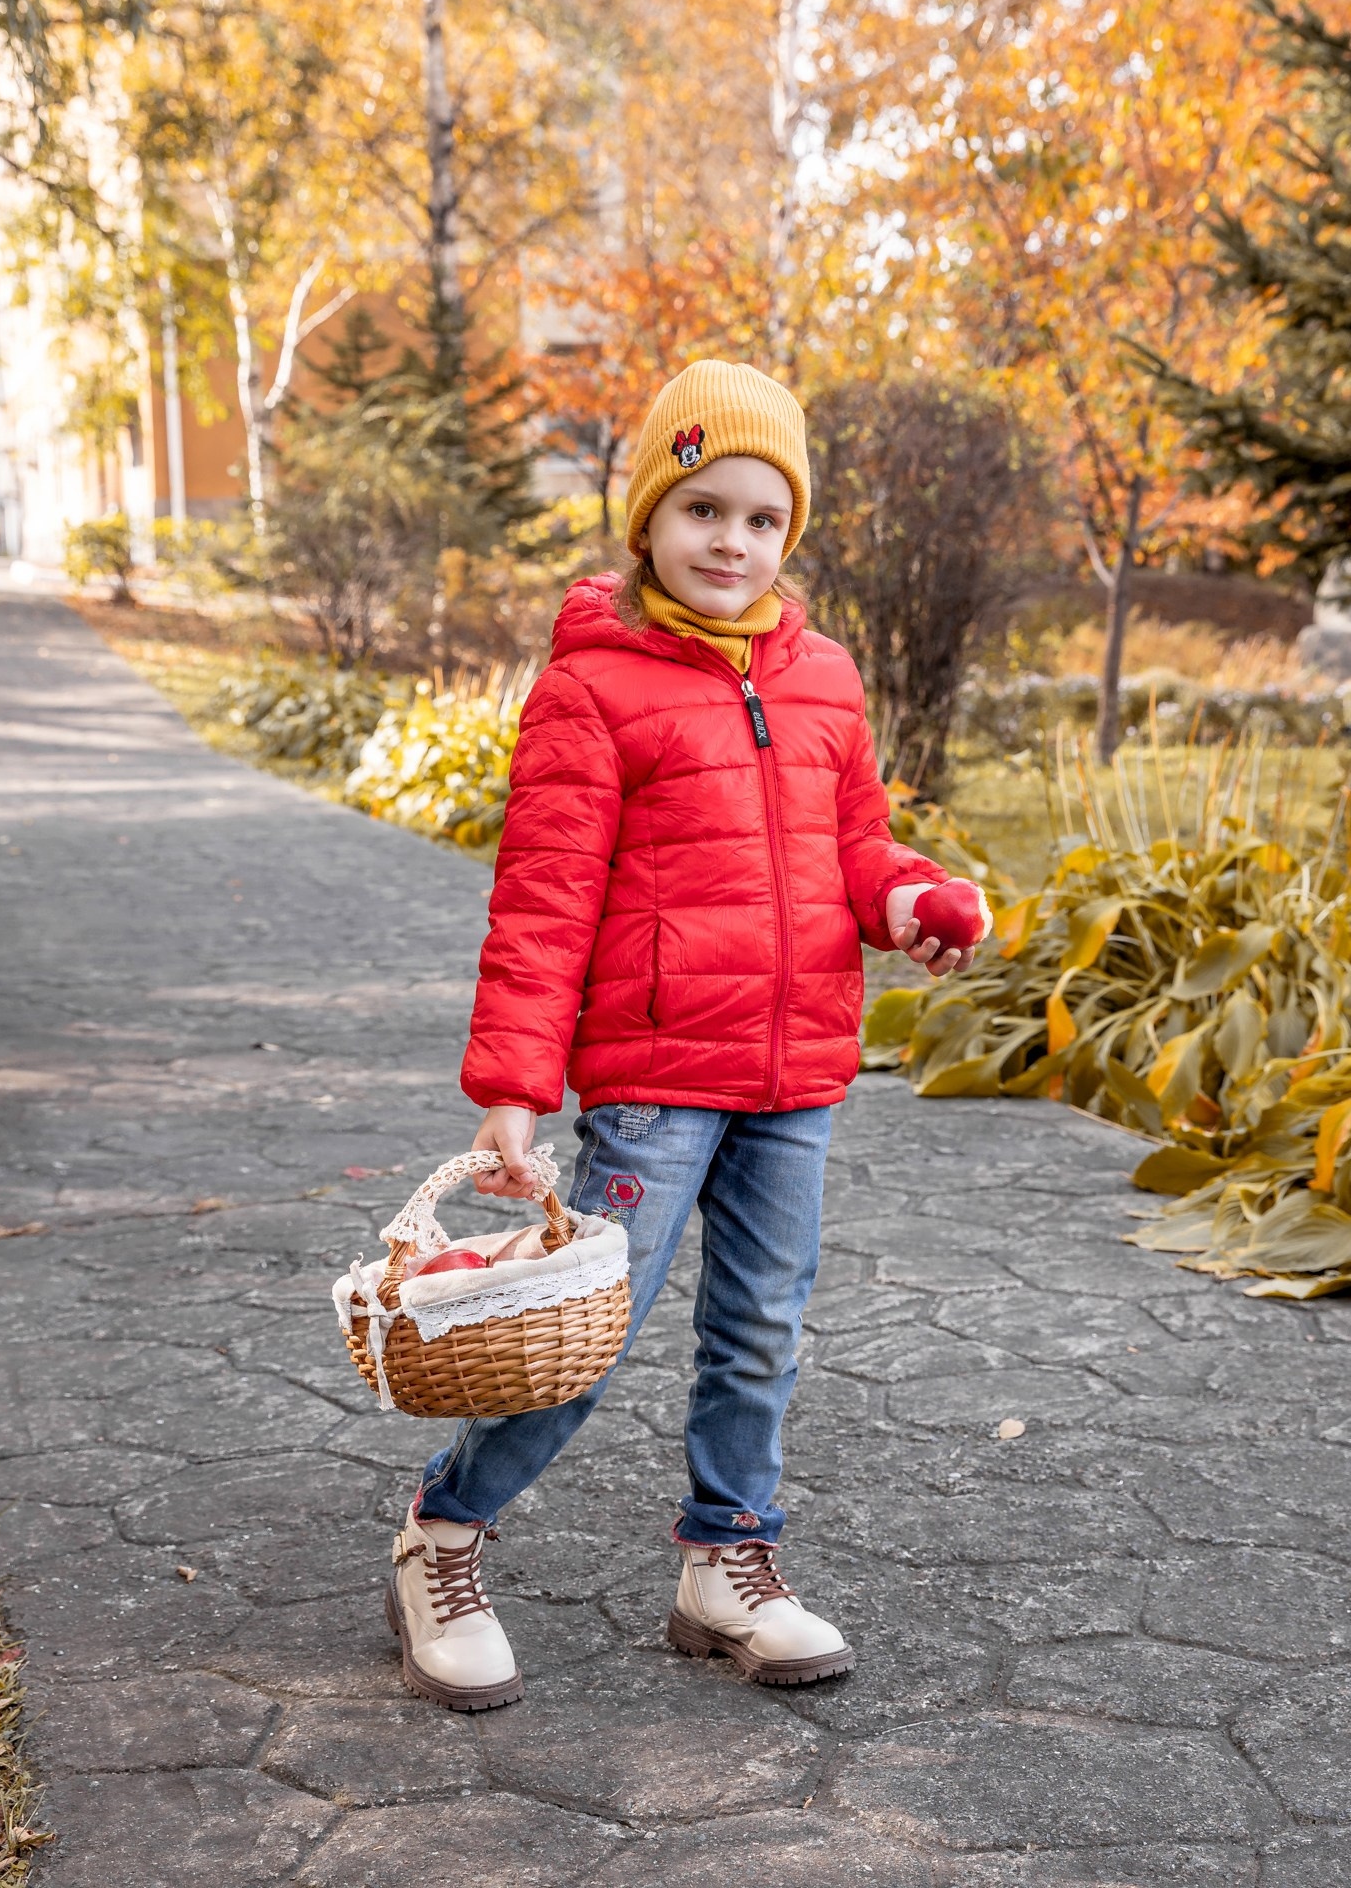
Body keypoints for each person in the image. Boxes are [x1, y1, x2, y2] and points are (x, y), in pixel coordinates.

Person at [385, 359, 980, 1711]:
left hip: (795, 1073)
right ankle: (443, 1532)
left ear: (792, 534)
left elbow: (858, 847)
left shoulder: (825, 677)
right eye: (703, 509)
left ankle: (727, 1564)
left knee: (761, 1329)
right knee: (581, 1329)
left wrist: (910, 902)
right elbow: (544, 903)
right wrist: (514, 1088)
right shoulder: (591, 688)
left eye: (763, 519)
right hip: (656, 1081)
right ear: (648, 517)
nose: (732, 543)